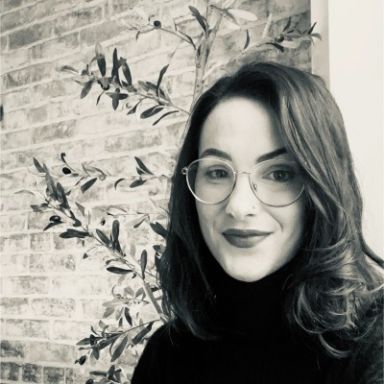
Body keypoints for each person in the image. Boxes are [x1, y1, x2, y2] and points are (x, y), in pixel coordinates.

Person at [131, 62, 383, 383]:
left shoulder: (373, 342)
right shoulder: (166, 354)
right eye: (218, 172)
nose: (239, 206)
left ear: (322, 186)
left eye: (279, 173)